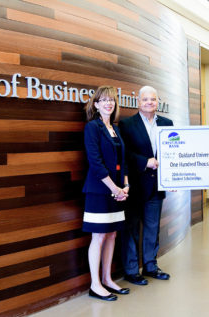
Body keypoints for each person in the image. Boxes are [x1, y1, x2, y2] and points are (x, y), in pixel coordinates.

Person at [118, 85, 173, 286]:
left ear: (157, 101)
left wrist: (174, 177)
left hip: (156, 186)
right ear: (138, 102)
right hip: (134, 186)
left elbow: (172, 155)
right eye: (145, 99)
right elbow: (125, 155)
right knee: (131, 229)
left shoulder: (168, 124)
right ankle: (132, 271)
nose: (149, 102)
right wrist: (144, 162)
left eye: (153, 99)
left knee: (152, 228)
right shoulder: (126, 125)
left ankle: (151, 266)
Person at [82, 86, 130, 301]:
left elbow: (123, 161)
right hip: (99, 191)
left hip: (118, 191)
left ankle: (108, 279)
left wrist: (125, 186)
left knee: (112, 234)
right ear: (96, 104)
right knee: (99, 235)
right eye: (104, 100)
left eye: (111, 100)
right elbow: (96, 163)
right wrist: (115, 189)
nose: (108, 103)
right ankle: (95, 284)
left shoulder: (116, 129)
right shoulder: (92, 127)